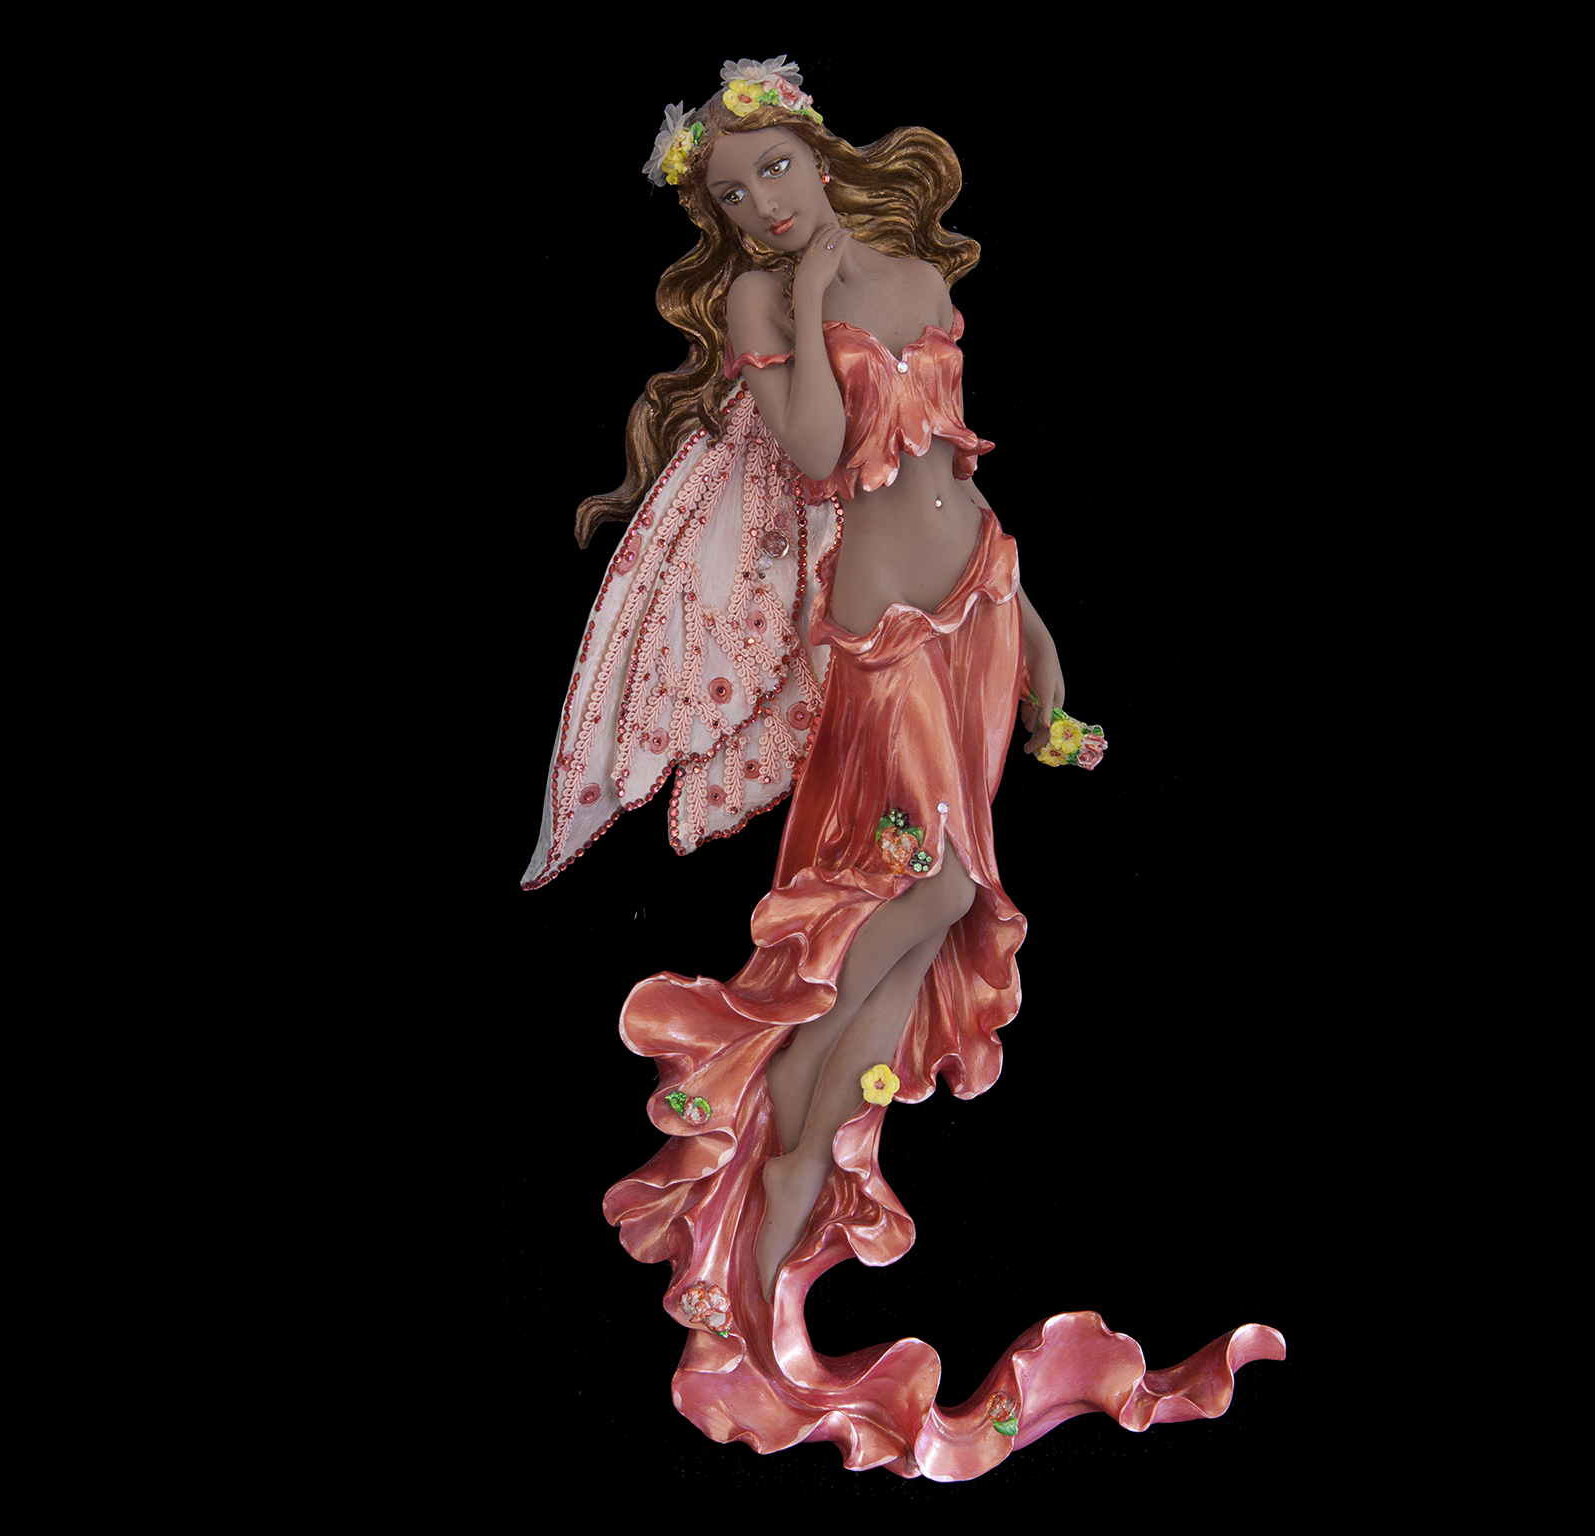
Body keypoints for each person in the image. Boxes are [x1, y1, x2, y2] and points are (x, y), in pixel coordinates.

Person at [523, 57, 1282, 1481]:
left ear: (817, 153)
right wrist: (811, 295)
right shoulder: (768, 305)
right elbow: (820, 457)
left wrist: (1037, 640)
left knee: (946, 907)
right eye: (732, 196)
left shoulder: (918, 278)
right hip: (881, 634)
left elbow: (961, 471)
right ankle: (789, 1087)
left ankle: (802, 1154)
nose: (762, 205)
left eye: (774, 170)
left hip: (977, 604)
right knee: (928, 891)